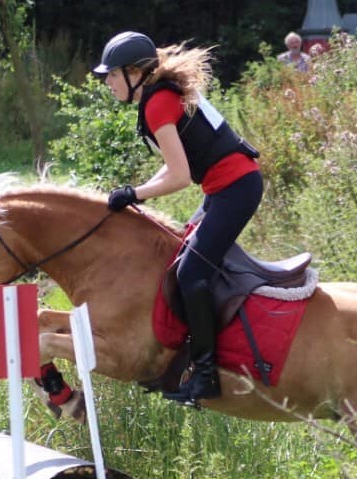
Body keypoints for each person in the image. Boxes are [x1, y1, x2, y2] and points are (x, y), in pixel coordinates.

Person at [94, 31, 263, 406]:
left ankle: (206, 375)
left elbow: (180, 177)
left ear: (135, 73)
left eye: (113, 74)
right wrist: (136, 190)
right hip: (224, 189)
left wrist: (134, 194)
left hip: (235, 190)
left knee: (190, 274)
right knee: (180, 262)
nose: (107, 82)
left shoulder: (158, 104)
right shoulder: (159, 97)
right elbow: (174, 165)